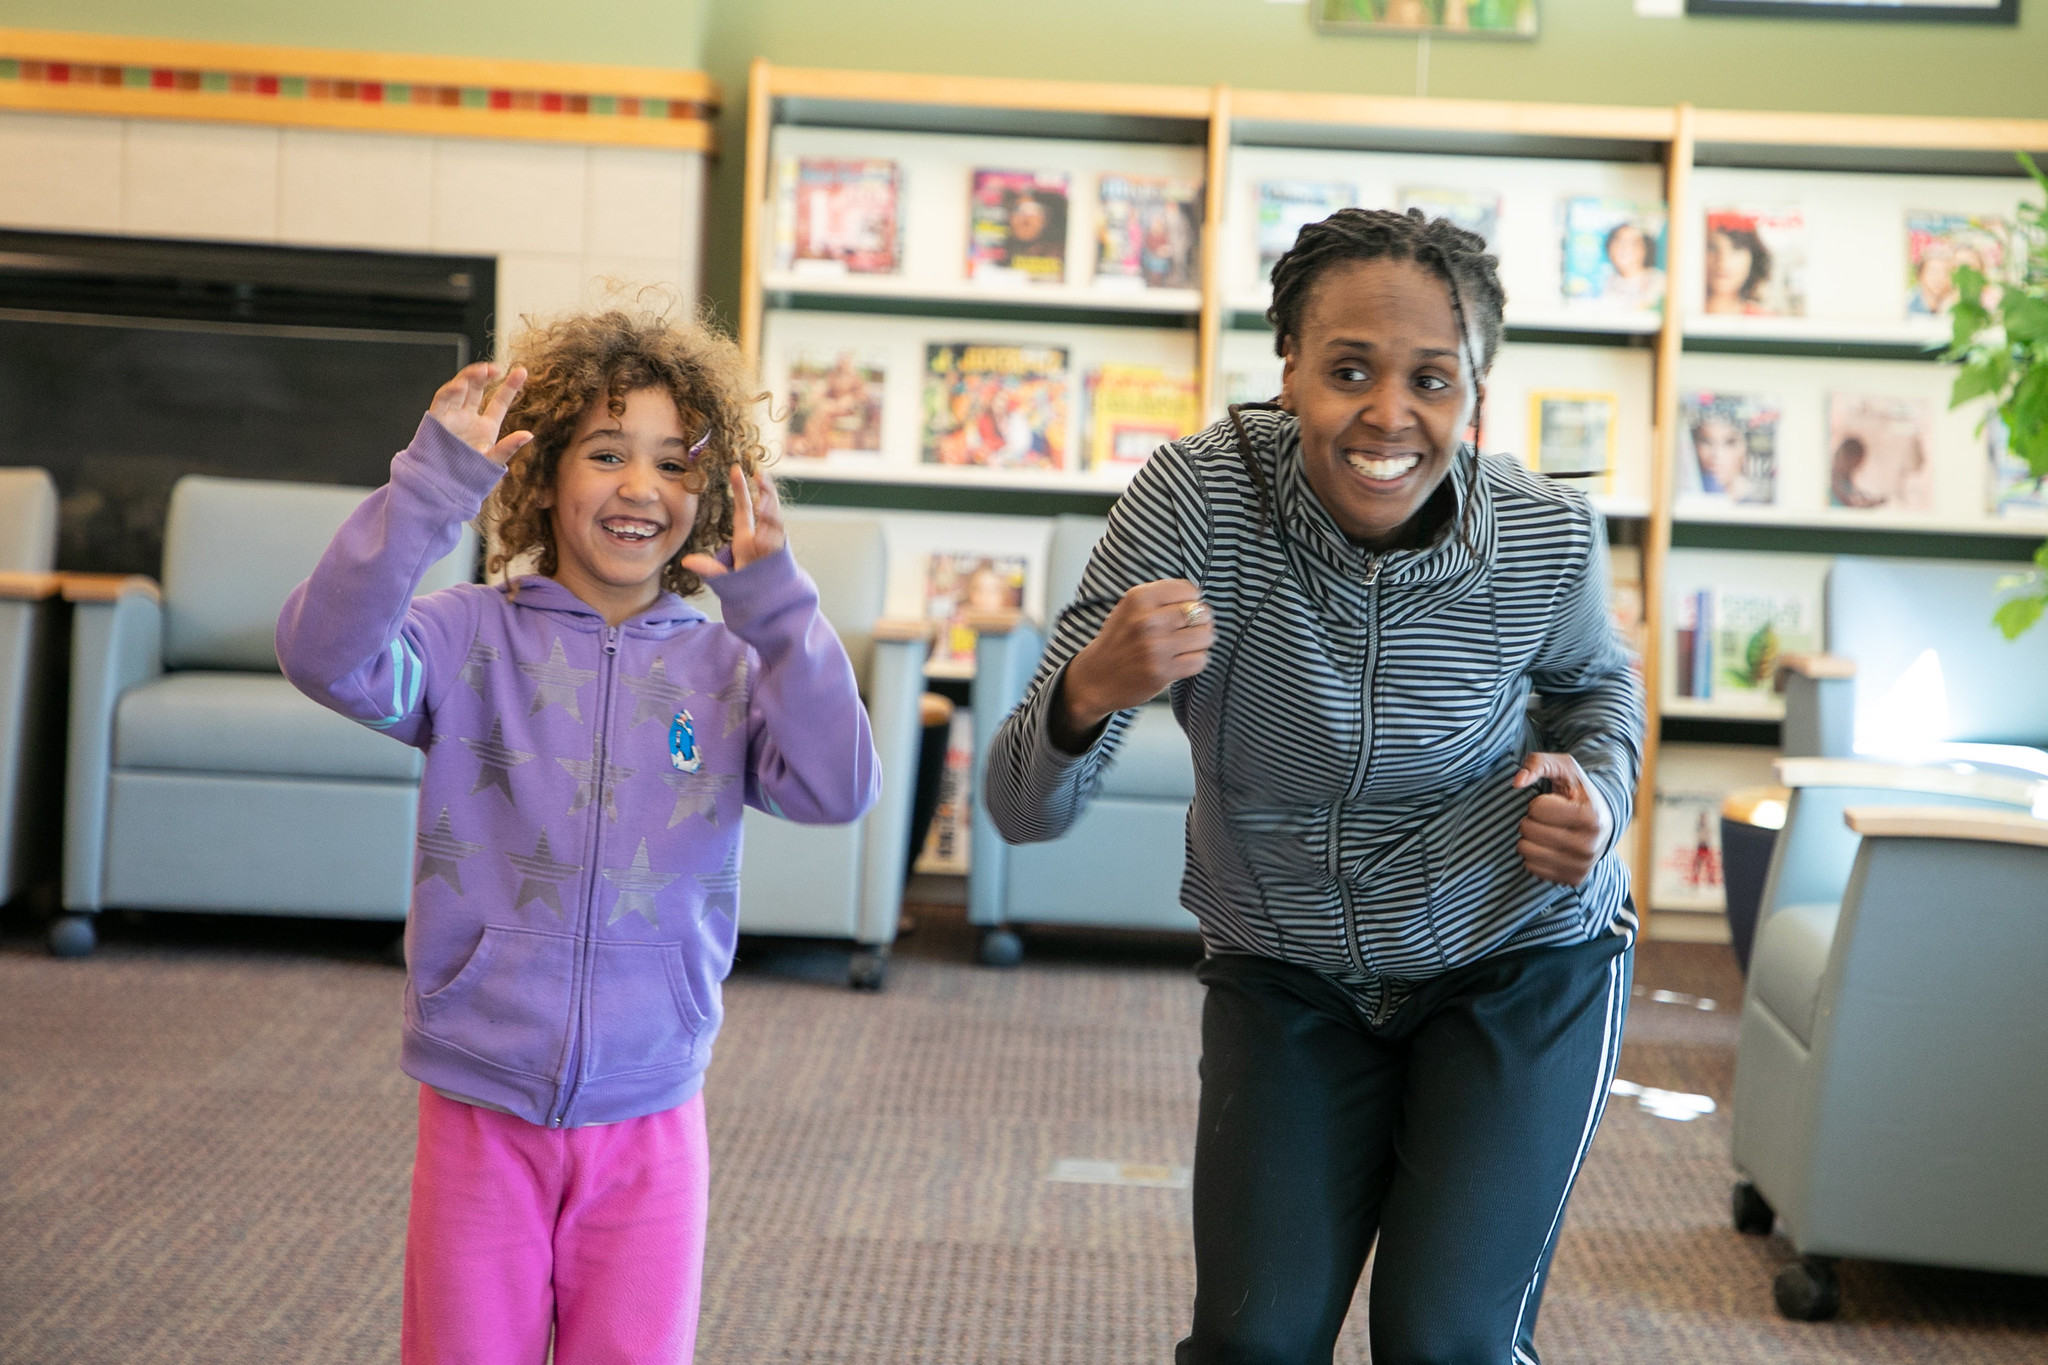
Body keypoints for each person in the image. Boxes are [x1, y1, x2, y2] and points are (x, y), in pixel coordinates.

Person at [984, 207, 1644, 1364]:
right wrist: (1090, 686)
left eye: (1431, 380)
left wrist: (1594, 795)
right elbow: (1018, 809)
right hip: (1286, 968)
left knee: (1444, 1344)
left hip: (1516, 961)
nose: (1389, 414)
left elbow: (1598, 699)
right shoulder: (1192, 503)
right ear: (1287, 372)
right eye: (1348, 370)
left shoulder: (1545, 535)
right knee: (1255, 1345)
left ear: (1475, 398)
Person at [276, 306, 879, 1364]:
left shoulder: (730, 671)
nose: (640, 488)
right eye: (606, 453)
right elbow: (324, 653)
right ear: (546, 472)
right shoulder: (465, 636)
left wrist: (778, 609)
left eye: (673, 464)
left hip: (652, 1111)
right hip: (480, 1097)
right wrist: (427, 493)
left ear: (712, 495)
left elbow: (837, 790)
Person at [1703, 215, 1773, 315]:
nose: (1723, 260)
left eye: (1736, 248)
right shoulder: (1674, 315)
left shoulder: (1765, 321)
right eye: (1712, 248)